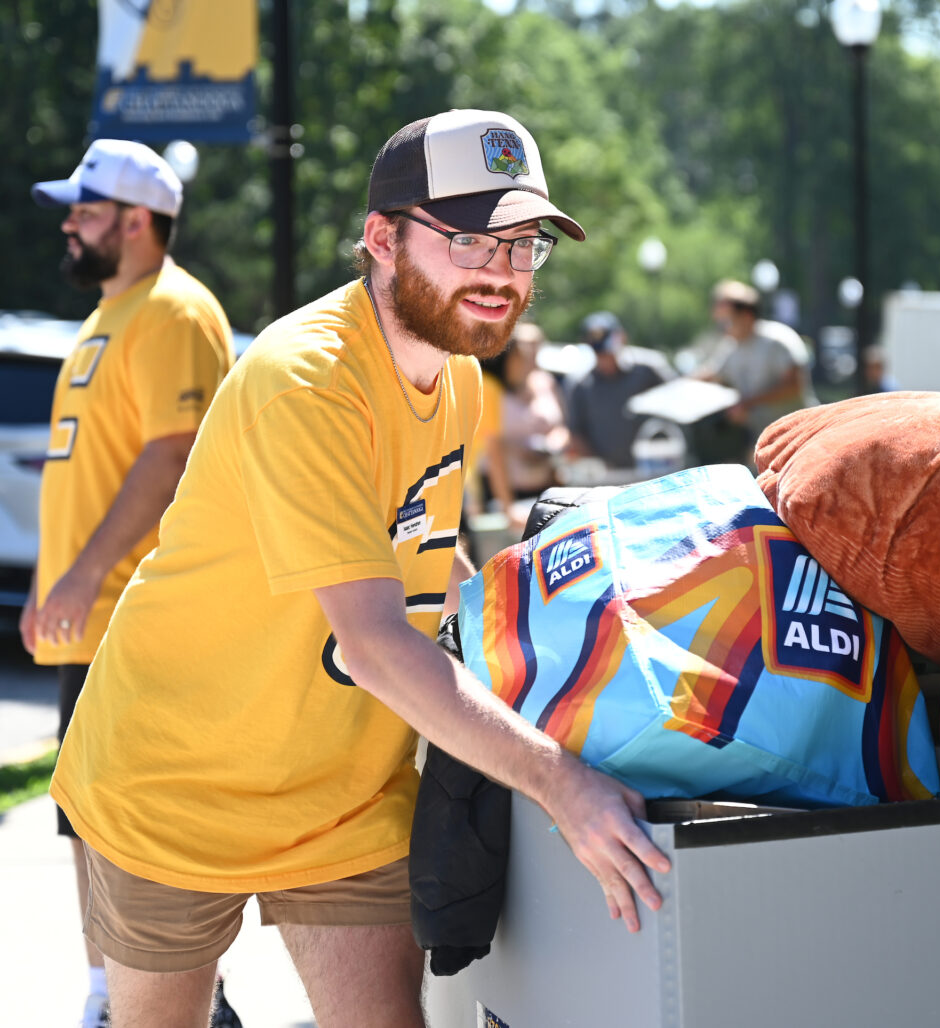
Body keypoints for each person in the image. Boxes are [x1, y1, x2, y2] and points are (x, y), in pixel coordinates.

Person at [48, 109, 669, 1028]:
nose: (502, 271)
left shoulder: (455, 373)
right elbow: (375, 644)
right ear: (382, 239)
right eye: (468, 240)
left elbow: (430, 555)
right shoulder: (307, 379)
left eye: (522, 245)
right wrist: (558, 780)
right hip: (174, 781)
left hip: (343, 798)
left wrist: (566, 641)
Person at [22, 139, 240, 1028]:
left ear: (138, 221)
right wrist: (56, 588)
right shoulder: (111, 312)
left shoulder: (173, 310)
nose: (69, 226)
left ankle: (186, 1002)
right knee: (88, 819)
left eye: (85, 210)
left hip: (143, 617)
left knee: (146, 828)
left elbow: (172, 452)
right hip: (96, 617)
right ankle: (110, 994)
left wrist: (80, 578)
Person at [697, 279, 816, 463]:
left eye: (726, 321)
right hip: (762, 444)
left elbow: (794, 386)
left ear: (746, 315)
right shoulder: (731, 347)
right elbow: (713, 375)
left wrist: (748, 403)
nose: (723, 329)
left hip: (798, 439)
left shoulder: (777, 340)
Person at [477, 321, 569, 530]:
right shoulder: (489, 389)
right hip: (500, 494)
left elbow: (562, 427)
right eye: (522, 353)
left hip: (545, 485)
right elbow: (493, 451)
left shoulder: (545, 382)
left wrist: (552, 446)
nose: (529, 358)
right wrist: (508, 509)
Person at [565, 310, 674, 468]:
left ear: (622, 337)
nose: (605, 358)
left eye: (608, 351)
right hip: (609, 474)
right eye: (600, 353)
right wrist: (599, 466)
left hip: (656, 467)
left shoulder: (648, 370)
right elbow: (576, 433)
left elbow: (679, 401)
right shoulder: (581, 385)